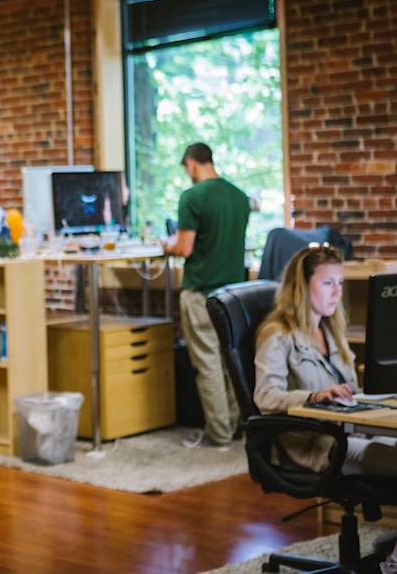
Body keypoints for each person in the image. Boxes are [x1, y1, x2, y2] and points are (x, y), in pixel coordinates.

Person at [254, 243, 397, 574]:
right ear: (302, 286)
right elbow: (265, 396)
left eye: (341, 284)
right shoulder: (278, 334)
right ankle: (391, 564)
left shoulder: (331, 330)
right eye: (327, 283)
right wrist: (315, 396)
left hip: (349, 433)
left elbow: (351, 391)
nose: (337, 293)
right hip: (315, 443)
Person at [162, 142, 251, 449]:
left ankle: (218, 433)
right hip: (233, 295)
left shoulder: (193, 197)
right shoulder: (239, 197)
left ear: (192, 163)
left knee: (207, 363)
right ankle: (238, 425)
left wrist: (166, 245)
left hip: (201, 290)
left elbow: (184, 248)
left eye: (186, 167)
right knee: (230, 360)